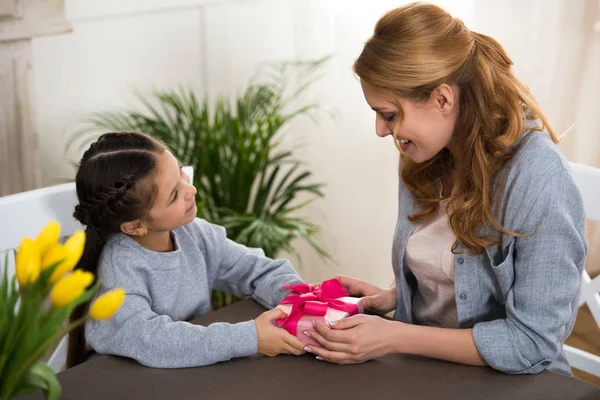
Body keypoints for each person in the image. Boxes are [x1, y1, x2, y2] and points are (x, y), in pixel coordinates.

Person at [303, 2, 588, 376]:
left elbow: (532, 344)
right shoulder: (425, 158)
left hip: (512, 382)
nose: (380, 130)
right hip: (427, 370)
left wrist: (393, 336)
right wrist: (393, 296)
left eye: (388, 114)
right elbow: (453, 272)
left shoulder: (536, 179)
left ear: (442, 99)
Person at [67, 131, 306, 368]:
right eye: (174, 195)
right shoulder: (120, 269)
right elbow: (152, 340)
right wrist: (250, 338)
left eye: (181, 172)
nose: (190, 191)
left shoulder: (194, 233)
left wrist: (303, 303)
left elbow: (258, 270)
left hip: (185, 370)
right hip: (124, 381)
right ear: (135, 226)